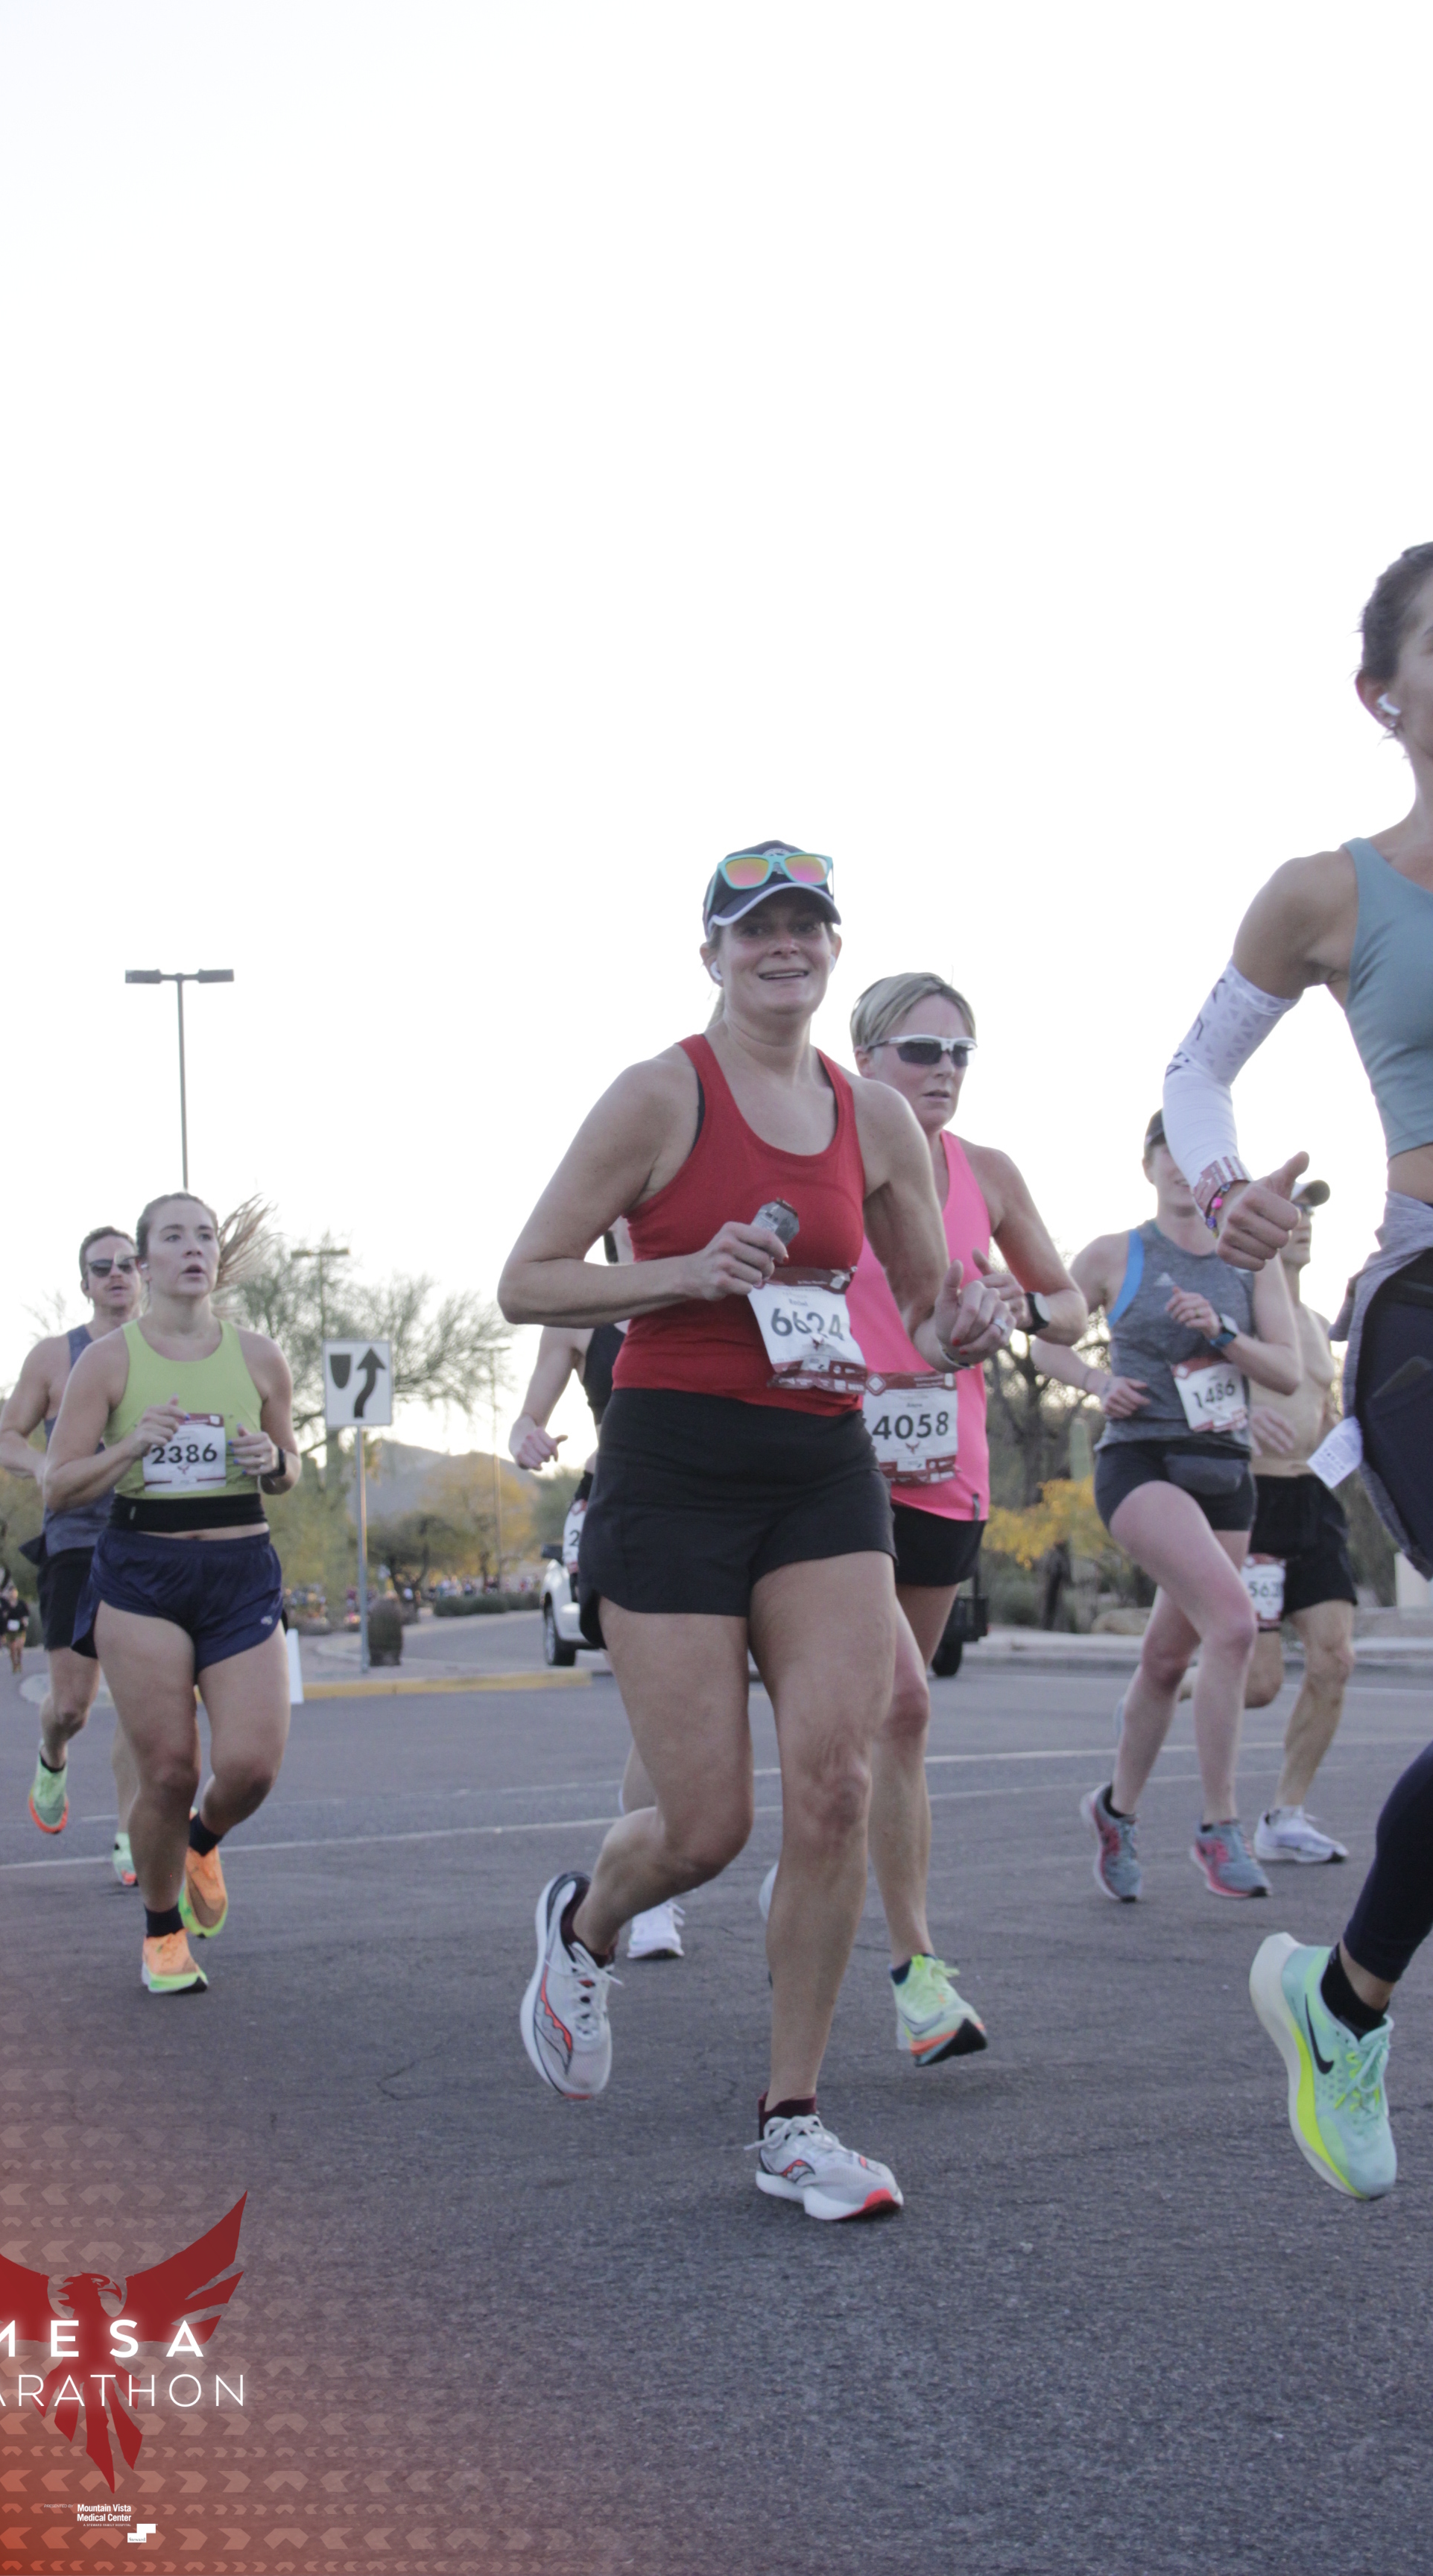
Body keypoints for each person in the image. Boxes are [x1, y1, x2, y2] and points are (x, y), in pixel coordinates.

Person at [499, 842, 1013, 2220]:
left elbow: (925, 1309)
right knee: (706, 1825)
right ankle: (584, 1923)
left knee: (835, 1785)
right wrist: (680, 1271)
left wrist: (965, 1323)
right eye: (754, 929)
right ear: (713, 953)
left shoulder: (874, 1119)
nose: (783, 946)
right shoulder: (658, 1094)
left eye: (805, 927)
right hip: (670, 1470)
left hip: (820, 1469)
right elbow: (525, 1280)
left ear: (832, 949)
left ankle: (794, 2121)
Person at [1160, 532, 1433, 2201]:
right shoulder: (1326, 892)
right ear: (1379, 693)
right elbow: (1195, 1073)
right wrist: (1219, 1192)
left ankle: (1339, 2006)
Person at [807, 970, 1087, 2062]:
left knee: (882, 1725)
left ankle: (816, 1893)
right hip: (831, 1470)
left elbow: (1067, 1305)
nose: (945, 1071)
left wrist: (1023, 1303)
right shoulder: (826, 1154)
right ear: (866, 1058)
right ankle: (915, 1970)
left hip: (944, 1473)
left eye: (961, 1052)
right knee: (906, 1705)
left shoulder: (991, 1174)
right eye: (922, 1051)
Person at [1031, 1111, 1300, 1901]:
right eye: (1168, 1152)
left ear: (1223, 1171)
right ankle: (1220, 1826)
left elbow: (1287, 1370)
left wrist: (1222, 1333)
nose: (1183, 1167)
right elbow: (1045, 1338)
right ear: (1147, 1164)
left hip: (1225, 1470)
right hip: (1141, 1461)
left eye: (1198, 1155)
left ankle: (1116, 1810)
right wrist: (1096, 1382)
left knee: (1163, 1662)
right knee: (1235, 1625)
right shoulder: (1115, 1254)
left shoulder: (1252, 1261)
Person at [43, 1192, 300, 1996]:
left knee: (250, 1767)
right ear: (144, 1262)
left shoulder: (260, 1356)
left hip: (240, 1571)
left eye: (205, 1236)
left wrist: (274, 1462)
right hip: (142, 1575)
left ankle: (202, 1840)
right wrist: (129, 1447)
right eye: (174, 1237)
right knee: (167, 1770)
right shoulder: (107, 1361)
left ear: (217, 1257)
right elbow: (57, 1485)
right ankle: (162, 1933)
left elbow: (291, 1467)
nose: (193, 1248)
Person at [508, 1218, 685, 1963]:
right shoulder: (579, 1307)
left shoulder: (711, 1278)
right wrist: (525, 1433)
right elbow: (530, 1413)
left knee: (699, 1709)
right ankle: (652, 1897)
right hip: (626, 1510)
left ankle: (655, 1869)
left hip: (723, 1506)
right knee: (664, 1708)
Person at [0, 1228, 145, 1881]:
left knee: (141, 1705)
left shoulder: (168, 1347)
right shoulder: (57, 1356)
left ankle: (131, 1836)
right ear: (85, 1284)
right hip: (77, 1539)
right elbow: (5, 1437)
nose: (116, 1274)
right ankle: (51, 1755)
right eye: (101, 1267)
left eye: (127, 1264)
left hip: (147, 1537)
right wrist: (44, 1467)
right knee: (72, 1708)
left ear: (144, 1274)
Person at [1240, 1178, 1359, 1866]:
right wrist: (1239, 1418)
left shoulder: (1316, 1324)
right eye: (1293, 1211)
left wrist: (1344, 1430)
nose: (1304, 1222)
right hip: (1253, 1503)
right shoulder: (1240, 1312)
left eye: (1311, 1212)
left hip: (1315, 1499)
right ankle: (1170, 1681)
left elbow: (1323, 1413)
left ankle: (1284, 1816)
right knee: (1258, 1686)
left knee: (1334, 1659)